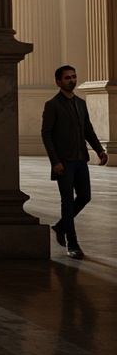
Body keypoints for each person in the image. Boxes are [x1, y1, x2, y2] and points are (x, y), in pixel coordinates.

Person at [41, 65, 109, 258]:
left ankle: (61, 226)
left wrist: (99, 149)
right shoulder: (52, 105)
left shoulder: (80, 103)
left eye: (73, 77)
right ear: (58, 82)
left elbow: (88, 129)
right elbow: (46, 134)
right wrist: (55, 161)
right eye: (67, 78)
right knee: (67, 203)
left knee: (85, 196)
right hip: (64, 162)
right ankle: (73, 244)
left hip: (81, 160)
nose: (72, 80)